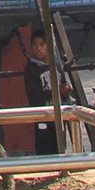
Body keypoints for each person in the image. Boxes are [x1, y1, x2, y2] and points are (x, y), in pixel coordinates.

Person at [23, 26, 71, 155]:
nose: (38, 48)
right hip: (42, 116)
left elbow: (63, 86)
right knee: (45, 149)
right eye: (35, 45)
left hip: (59, 115)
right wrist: (55, 92)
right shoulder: (31, 69)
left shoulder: (57, 66)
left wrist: (66, 92)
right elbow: (33, 97)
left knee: (59, 148)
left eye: (42, 45)